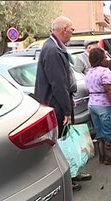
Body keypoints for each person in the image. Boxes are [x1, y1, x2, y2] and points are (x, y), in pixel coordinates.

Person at [34, 16, 91, 191]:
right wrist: (66, 110)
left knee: (66, 141)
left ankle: (72, 172)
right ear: (64, 29)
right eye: (72, 30)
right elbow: (58, 83)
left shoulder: (55, 47)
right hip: (55, 106)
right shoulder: (53, 50)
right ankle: (66, 178)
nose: (72, 33)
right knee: (60, 144)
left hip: (58, 103)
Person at [85, 47, 111, 165]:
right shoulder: (105, 71)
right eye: (105, 58)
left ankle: (102, 157)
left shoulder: (89, 72)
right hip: (104, 105)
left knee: (99, 131)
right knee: (110, 129)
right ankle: (109, 157)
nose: (107, 60)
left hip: (92, 104)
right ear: (100, 60)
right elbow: (109, 91)